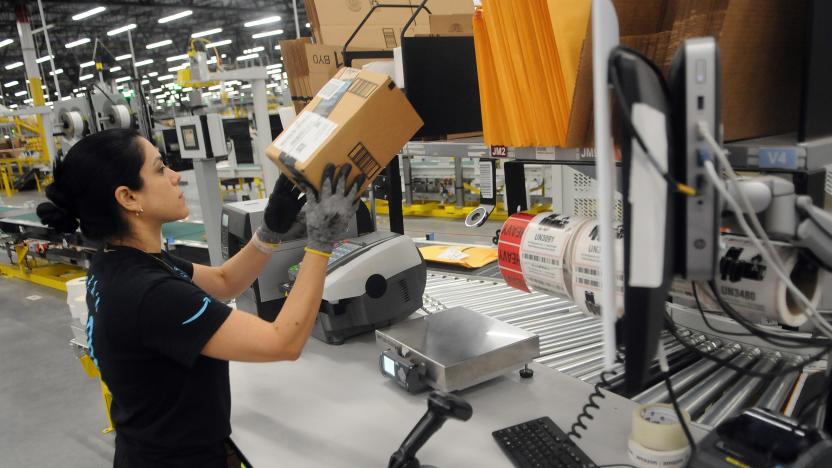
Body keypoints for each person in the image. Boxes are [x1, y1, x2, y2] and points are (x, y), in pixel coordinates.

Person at [37, 129, 365, 467]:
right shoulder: (149, 292)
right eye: (160, 168)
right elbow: (284, 342)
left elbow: (224, 282)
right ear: (129, 198)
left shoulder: (120, 260)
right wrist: (321, 243)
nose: (176, 177)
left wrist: (271, 229)